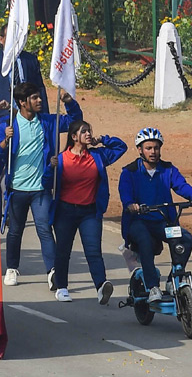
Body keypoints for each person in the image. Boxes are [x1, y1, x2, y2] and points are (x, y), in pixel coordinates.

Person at [0, 81, 80, 288]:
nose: (40, 100)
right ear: (22, 102)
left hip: (41, 189)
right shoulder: (8, 124)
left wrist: (70, 102)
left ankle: (52, 272)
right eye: (34, 98)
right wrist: (5, 140)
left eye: (39, 97)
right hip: (16, 189)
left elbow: (75, 122)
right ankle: (12, 268)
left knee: (44, 228)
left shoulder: (48, 122)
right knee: (15, 230)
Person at [51, 120, 125, 303]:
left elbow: (121, 147)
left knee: (93, 251)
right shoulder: (61, 159)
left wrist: (101, 139)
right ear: (74, 136)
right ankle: (61, 287)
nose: (88, 134)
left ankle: (101, 286)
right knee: (63, 250)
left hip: (90, 212)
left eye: (89, 131)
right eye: (84, 132)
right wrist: (49, 168)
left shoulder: (98, 156)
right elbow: (47, 183)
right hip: (65, 211)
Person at [119, 127, 192, 304]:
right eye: (148, 148)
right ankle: (153, 287)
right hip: (138, 223)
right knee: (144, 239)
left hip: (163, 222)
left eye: (156, 148)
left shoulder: (168, 169)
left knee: (185, 239)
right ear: (140, 150)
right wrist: (131, 205)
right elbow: (125, 194)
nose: (153, 152)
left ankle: (173, 279)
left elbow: (182, 187)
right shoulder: (129, 172)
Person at [0, 24, 49, 126]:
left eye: (17, 38)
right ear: (1, 39)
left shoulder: (30, 60)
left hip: (28, 116)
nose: (15, 41)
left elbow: (40, 88)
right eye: (10, 37)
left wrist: (44, 114)